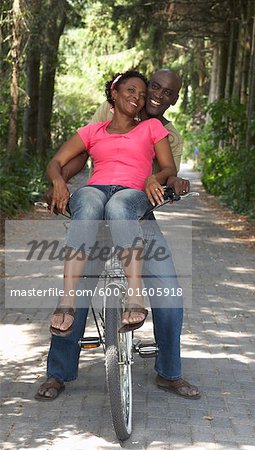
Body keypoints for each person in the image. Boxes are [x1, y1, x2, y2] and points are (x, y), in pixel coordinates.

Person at [35, 68, 200, 401]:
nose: (153, 95)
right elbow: (80, 156)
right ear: (118, 93)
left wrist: (164, 182)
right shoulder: (109, 112)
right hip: (96, 207)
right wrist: (59, 183)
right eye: (151, 87)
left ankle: (169, 372)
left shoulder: (168, 134)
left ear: (173, 100)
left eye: (166, 93)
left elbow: (168, 175)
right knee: (78, 283)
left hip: (137, 213)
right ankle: (59, 372)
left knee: (169, 289)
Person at [47, 70, 177, 336]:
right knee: (88, 200)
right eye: (131, 91)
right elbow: (56, 162)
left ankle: (135, 295)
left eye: (142, 95)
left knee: (119, 205)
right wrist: (59, 183)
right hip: (96, 189)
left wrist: (154, 178)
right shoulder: (92, 131)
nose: (138, 98)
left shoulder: (152, 128)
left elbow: (168, 167)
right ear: (114, 93)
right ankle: (67, 300)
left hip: (132, 194)